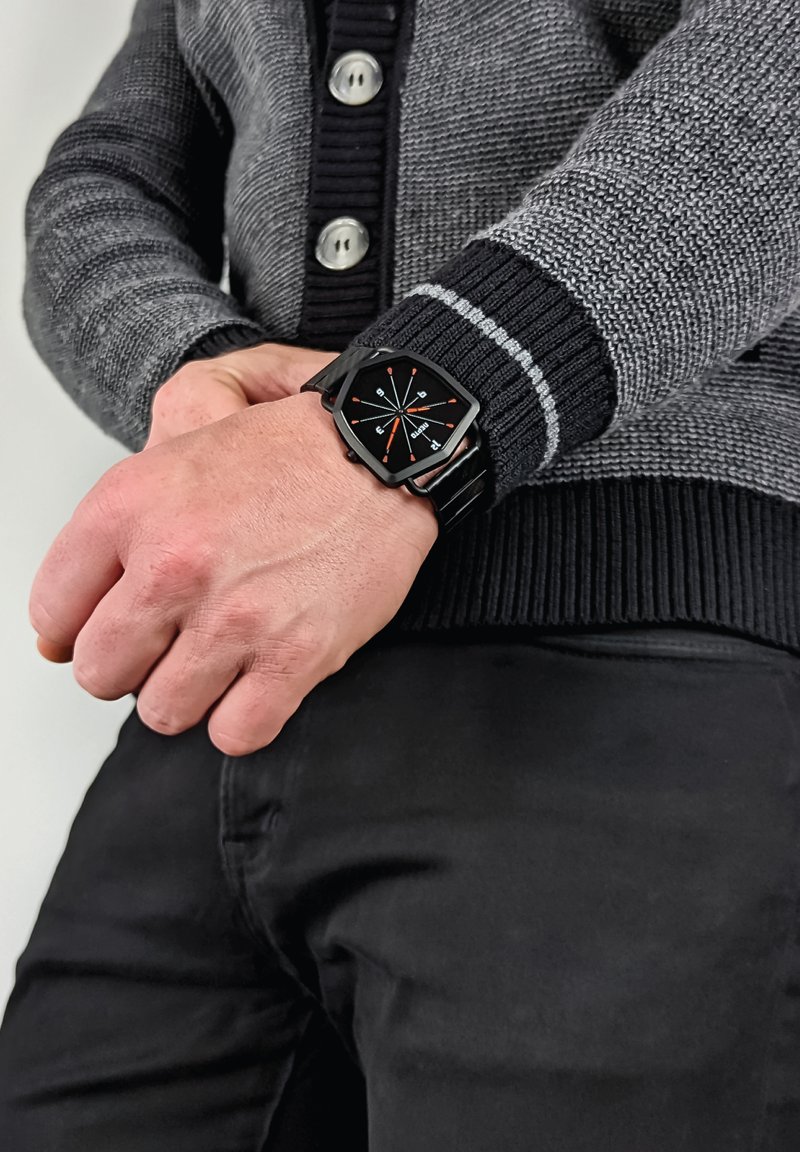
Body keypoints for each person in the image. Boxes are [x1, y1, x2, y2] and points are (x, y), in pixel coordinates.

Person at [1, 0, 799, 1147]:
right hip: (217, 701)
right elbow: (105, 178)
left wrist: (400, 423)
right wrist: (206, 380)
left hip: (635, 684)